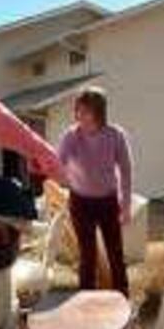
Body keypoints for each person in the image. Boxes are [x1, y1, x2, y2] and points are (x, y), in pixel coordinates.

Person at [57, 87, 133, 297]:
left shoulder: (115, 135)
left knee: (115, 252)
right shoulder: (71, 136)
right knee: (87, 255)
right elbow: (57, 163)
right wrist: (45, 165)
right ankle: (85, 299)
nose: (79, 115)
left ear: (98, 112)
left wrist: (125, 207)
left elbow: (126, 171)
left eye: (84, 111)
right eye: (77, 111)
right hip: (81, 202)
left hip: (108, 201)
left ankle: (122, 295)